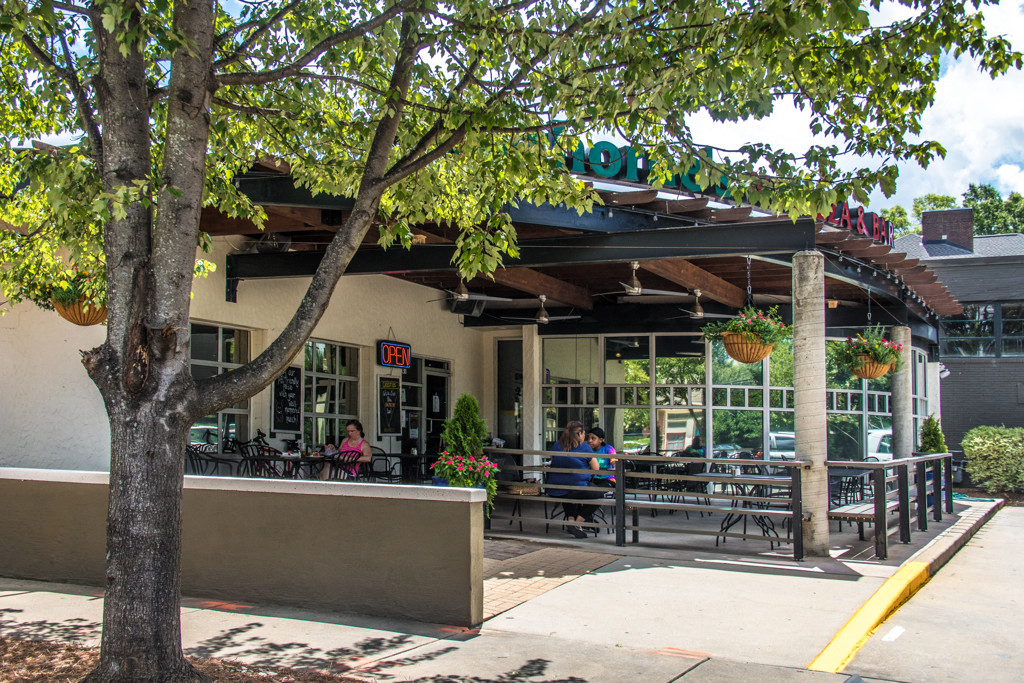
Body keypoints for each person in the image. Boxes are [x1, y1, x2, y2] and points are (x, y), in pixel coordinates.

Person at [547, 420, 602, 539]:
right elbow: (596, 468)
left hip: (555, 488)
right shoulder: (584, 447)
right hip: (575, 487)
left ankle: (571, 521)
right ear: (579, 434)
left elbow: (552, 459)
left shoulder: (557, 444)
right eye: (584, 434)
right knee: (598, 495)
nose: (585, 437)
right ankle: (579, 522)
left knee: (568, 493)